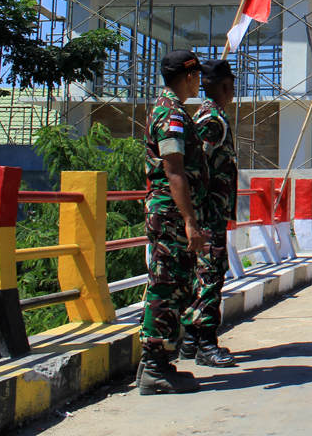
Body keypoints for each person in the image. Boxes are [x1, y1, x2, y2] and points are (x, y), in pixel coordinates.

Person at [139, 50, 208, 395]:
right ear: (190, 77)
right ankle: (154, 367)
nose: (200, 82)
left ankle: (161, 364)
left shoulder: (174, 110)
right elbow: (174, 170)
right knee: (166, 286)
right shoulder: (171, 114)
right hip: (170, 213)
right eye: (197, 75)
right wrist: (190, 220)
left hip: (171, 213)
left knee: (176, 284)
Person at [178, 60, 239, 369]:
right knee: (210, 275)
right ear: (225, 87)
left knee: (203, 274)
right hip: (208, 213)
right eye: (231, 86)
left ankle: (190, 341)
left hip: (208, 212)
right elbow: (198, 164)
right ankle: (205, 344)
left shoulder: (208, 115)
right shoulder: (212, 119)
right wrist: (198, 214)